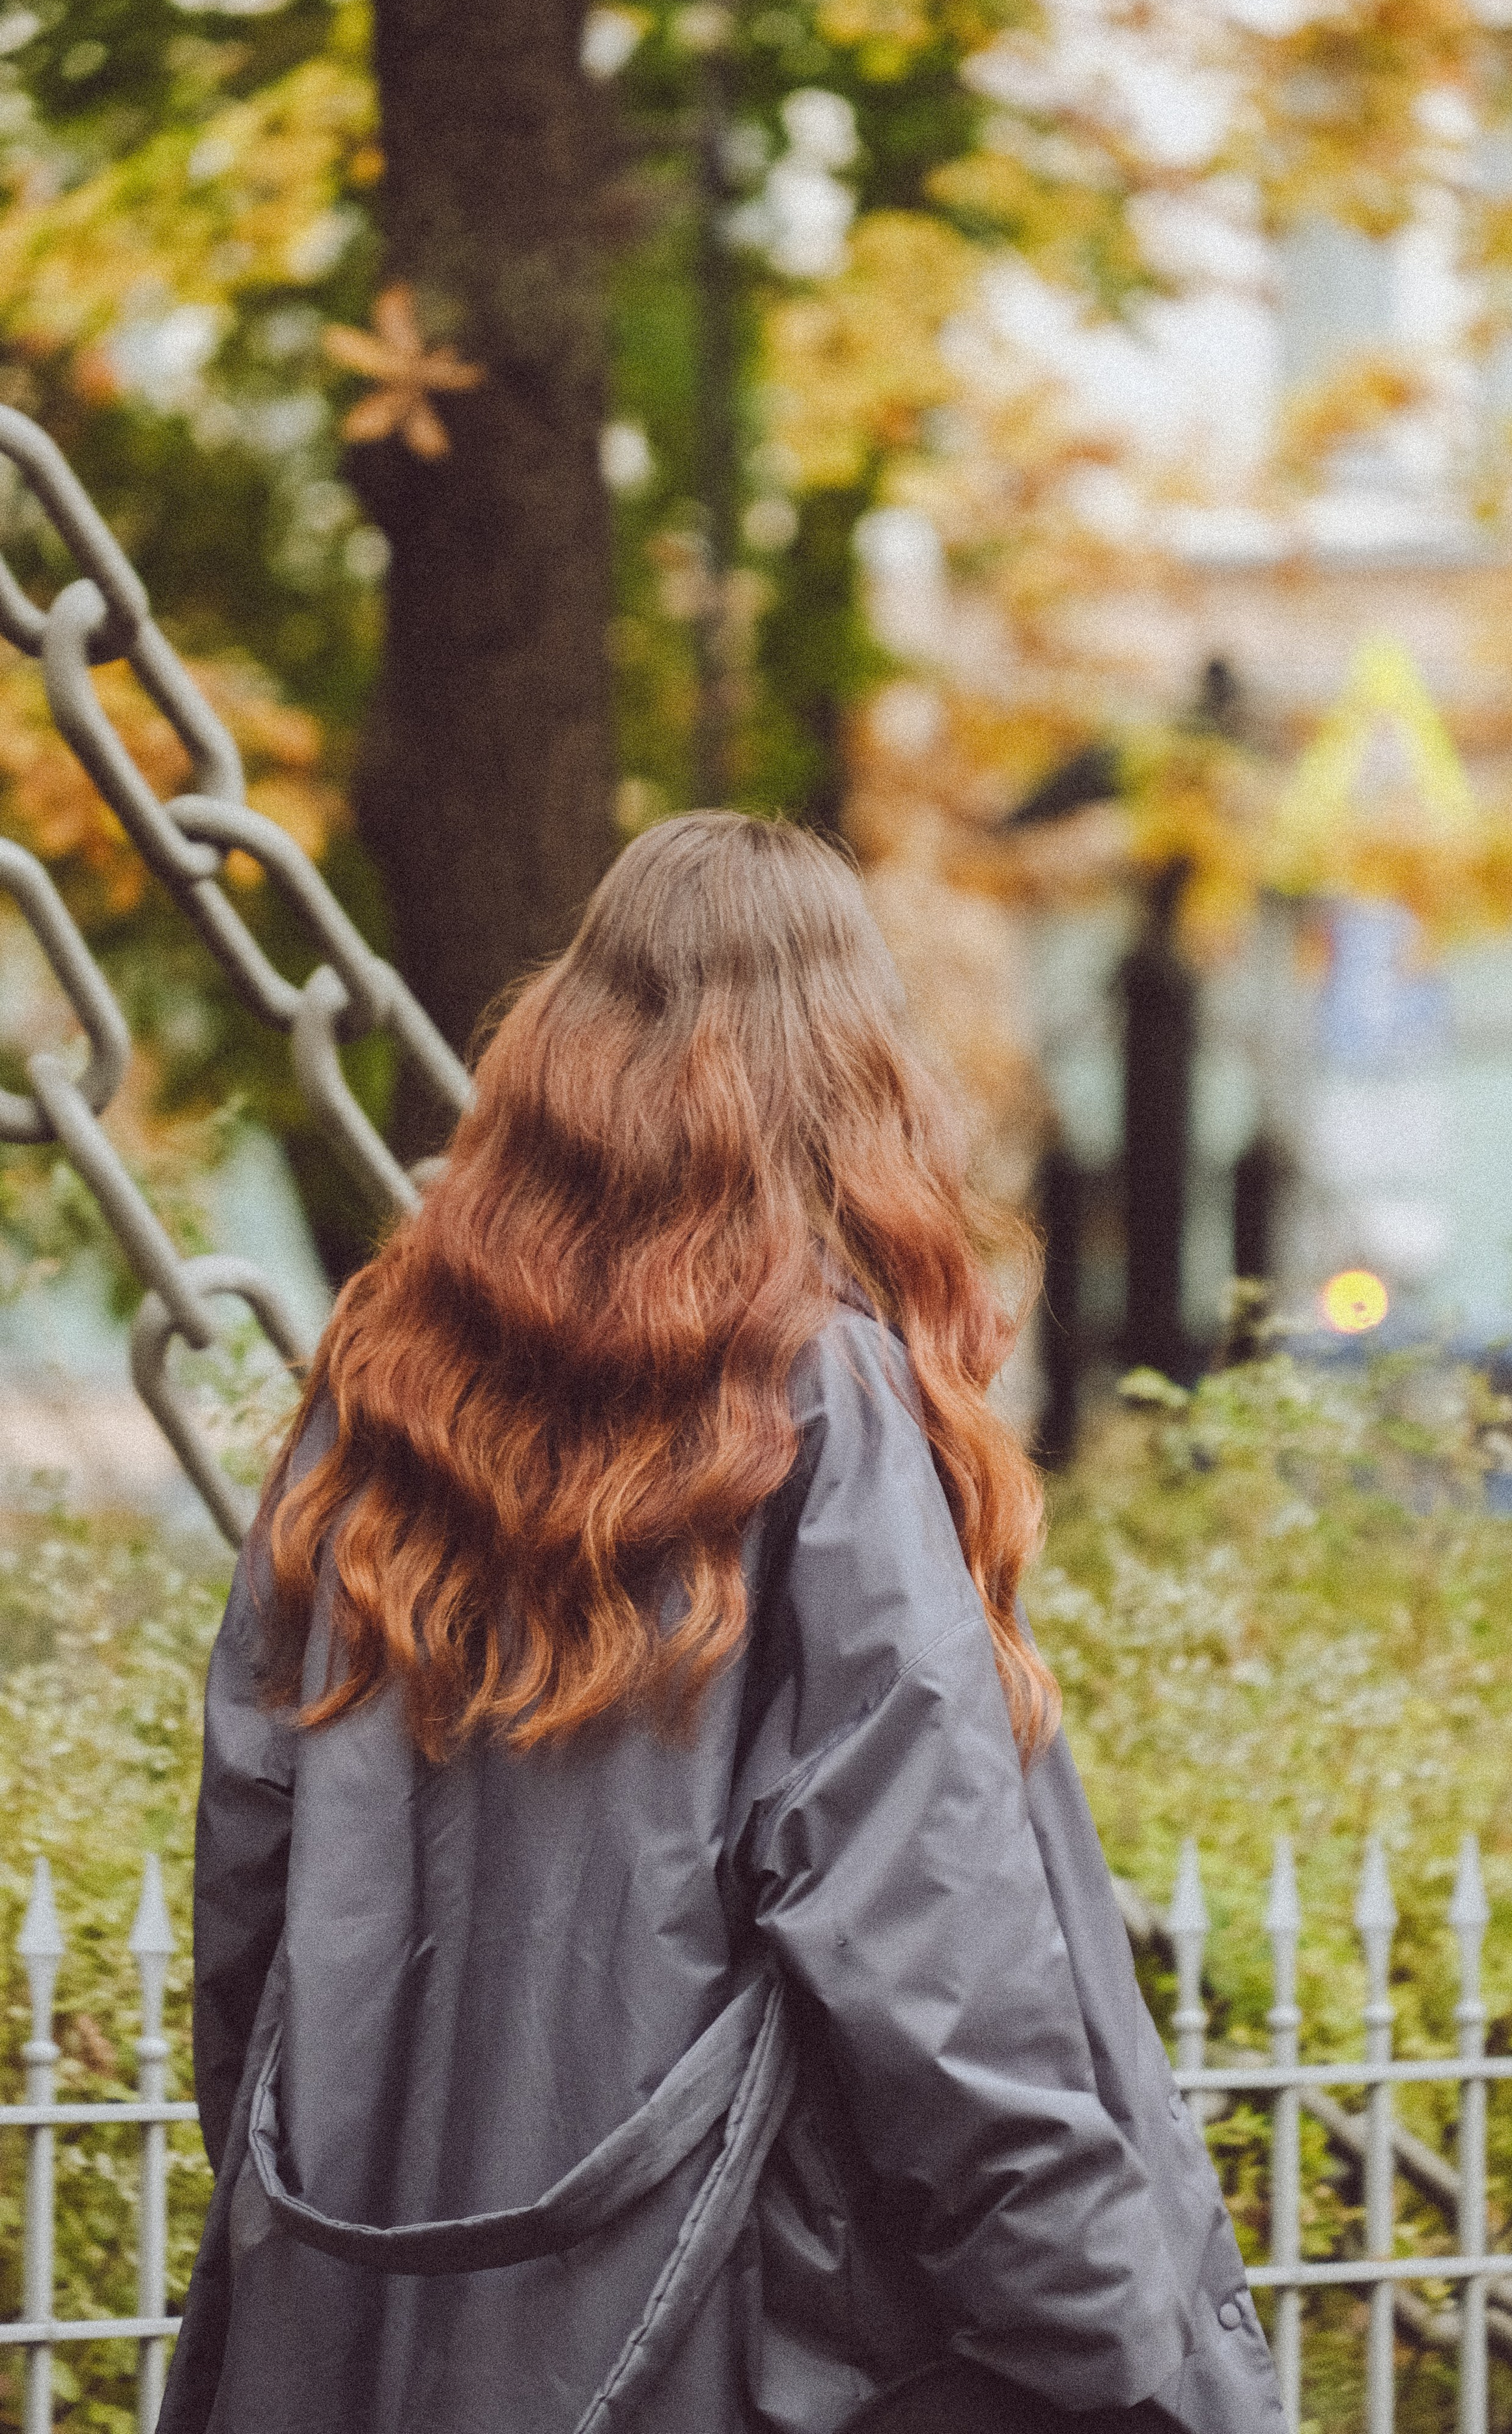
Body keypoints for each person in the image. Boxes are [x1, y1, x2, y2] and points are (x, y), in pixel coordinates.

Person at [159, 812, 1287, 2434]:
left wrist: (319, 2220)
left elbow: (251, 1869)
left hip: (374, 2306)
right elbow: (927, 1933)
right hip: (722, 2323)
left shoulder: (385, 1388)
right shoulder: (817, 1396)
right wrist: (1113, 2339)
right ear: (849, 1069)